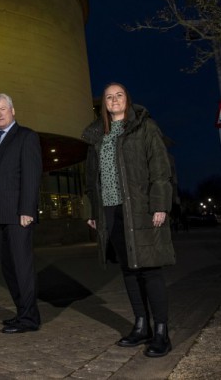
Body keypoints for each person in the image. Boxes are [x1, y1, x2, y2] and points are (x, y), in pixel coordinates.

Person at [82, 82, 175, 358]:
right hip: (111, 210)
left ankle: (161, 332)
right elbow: (90, 179)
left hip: (141, 209)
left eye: (119, 95)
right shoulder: (98, 136)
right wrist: (93, 211)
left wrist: (160, 204)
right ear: (104, 105)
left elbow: (160, 168)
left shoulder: (145, 127)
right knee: (128, 270)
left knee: (150, 270)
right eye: (109, 97)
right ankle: (141, 325)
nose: (114, 100)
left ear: (127, 99)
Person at [0, 93, 43, 334]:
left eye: (3, 109)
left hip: (17, 215)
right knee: (8, 268)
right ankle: (21, 312)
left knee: (22, 267)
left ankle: (30, 318)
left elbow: (31, 176)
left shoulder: (26, 136)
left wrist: (27, 209)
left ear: (13, 110)